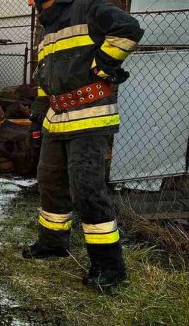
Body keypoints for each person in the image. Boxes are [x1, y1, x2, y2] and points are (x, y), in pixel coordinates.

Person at [24, 0, 144, 289]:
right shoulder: (47, 27)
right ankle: (53, 244)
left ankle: (109, 267)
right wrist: (39, 115)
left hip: (90, 118)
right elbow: (45, 76)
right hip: (56, 119)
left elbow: (129, 28)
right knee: (50, 183)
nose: (28, 1)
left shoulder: (88, 8)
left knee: (87, 191)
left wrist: (104, 64)